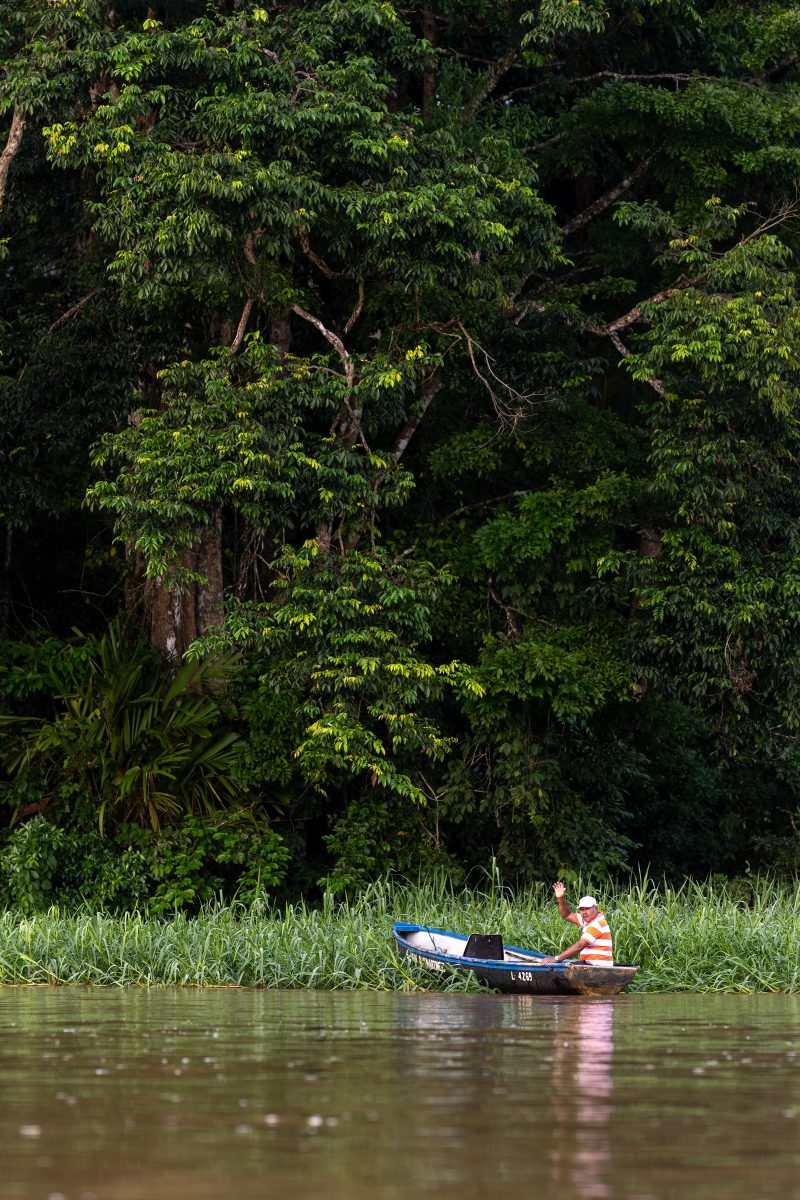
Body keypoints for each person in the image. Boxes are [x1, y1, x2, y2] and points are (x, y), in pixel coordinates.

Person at [537, 882, 614, 966]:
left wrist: (556, 959)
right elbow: (567, 915)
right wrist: (560, 898)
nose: (584, 912)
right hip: (589, 965)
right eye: (582, 909)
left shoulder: (597, 924)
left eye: (587, 909)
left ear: (595, 908)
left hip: (598, 967)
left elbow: (579, 946)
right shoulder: (588, 920)